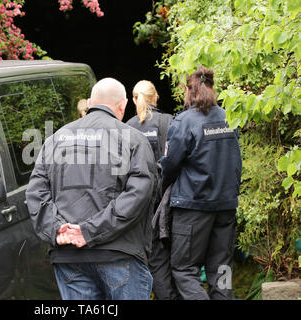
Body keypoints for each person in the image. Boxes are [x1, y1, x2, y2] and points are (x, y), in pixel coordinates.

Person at [26, 77, 158, 300]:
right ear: (123, 105)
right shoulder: (134, 140)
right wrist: (88, 231)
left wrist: (58, 229)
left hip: (69, 257)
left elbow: (35, 192)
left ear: (89, 103)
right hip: (119, 255)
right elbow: (138, 196)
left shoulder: (55, 139)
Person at [160, 65, 242, 300]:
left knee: (184, 269)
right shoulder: (229, 117)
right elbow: (236, 161)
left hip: (193, 207)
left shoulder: (184, 121)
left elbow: (170, 165)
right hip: (225, 206)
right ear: (212, 88)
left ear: (187, 90)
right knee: (222, 269)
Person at [126, 80, 179, 300]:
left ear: (134, 99)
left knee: (151, 260)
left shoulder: (127, 126)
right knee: (174, 260)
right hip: (169, 203)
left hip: (140, 206)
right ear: (156, 97)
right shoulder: (169, 122)